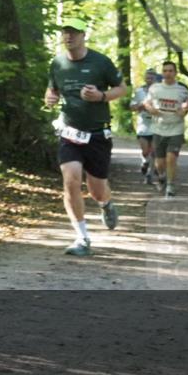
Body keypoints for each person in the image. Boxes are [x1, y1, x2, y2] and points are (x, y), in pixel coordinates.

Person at [45, 17, 127, 256]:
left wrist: (101, 96)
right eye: (65, 32)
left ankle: (106, 203)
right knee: (71, 180)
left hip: (97, 134)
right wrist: (49, 98)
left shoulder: (101, 62)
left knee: (97, 189)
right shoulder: (57, 63)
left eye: (73, 32)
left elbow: (122, 89)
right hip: (69, 133)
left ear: (83, 36)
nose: (68, 36)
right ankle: (82, 237)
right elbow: (52, 90)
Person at [144, 60, 188, 197]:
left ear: (175, 73)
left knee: (171, 158)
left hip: (176, 129)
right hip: (158, 128)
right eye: (165, 71)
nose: (167, 73)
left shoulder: (182, 89)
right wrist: (151, 109)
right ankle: (162, 176)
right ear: (162, 73)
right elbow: (146, 103)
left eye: (170, 71)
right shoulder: (155, 88)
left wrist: (185, 110)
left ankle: (171, 186)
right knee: (160, 162)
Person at [130, 68, 158, 184]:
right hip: (143, 125)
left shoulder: (160, 91)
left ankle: (149, 175)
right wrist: (141, 105)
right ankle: (144, 162)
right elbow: (132, 107)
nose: (149, 80)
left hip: (157, 124)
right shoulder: (139, 91)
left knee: (154, 151)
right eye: (147, 77)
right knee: (145, 151)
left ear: (155, 79)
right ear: (145, 78)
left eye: (152, 78)